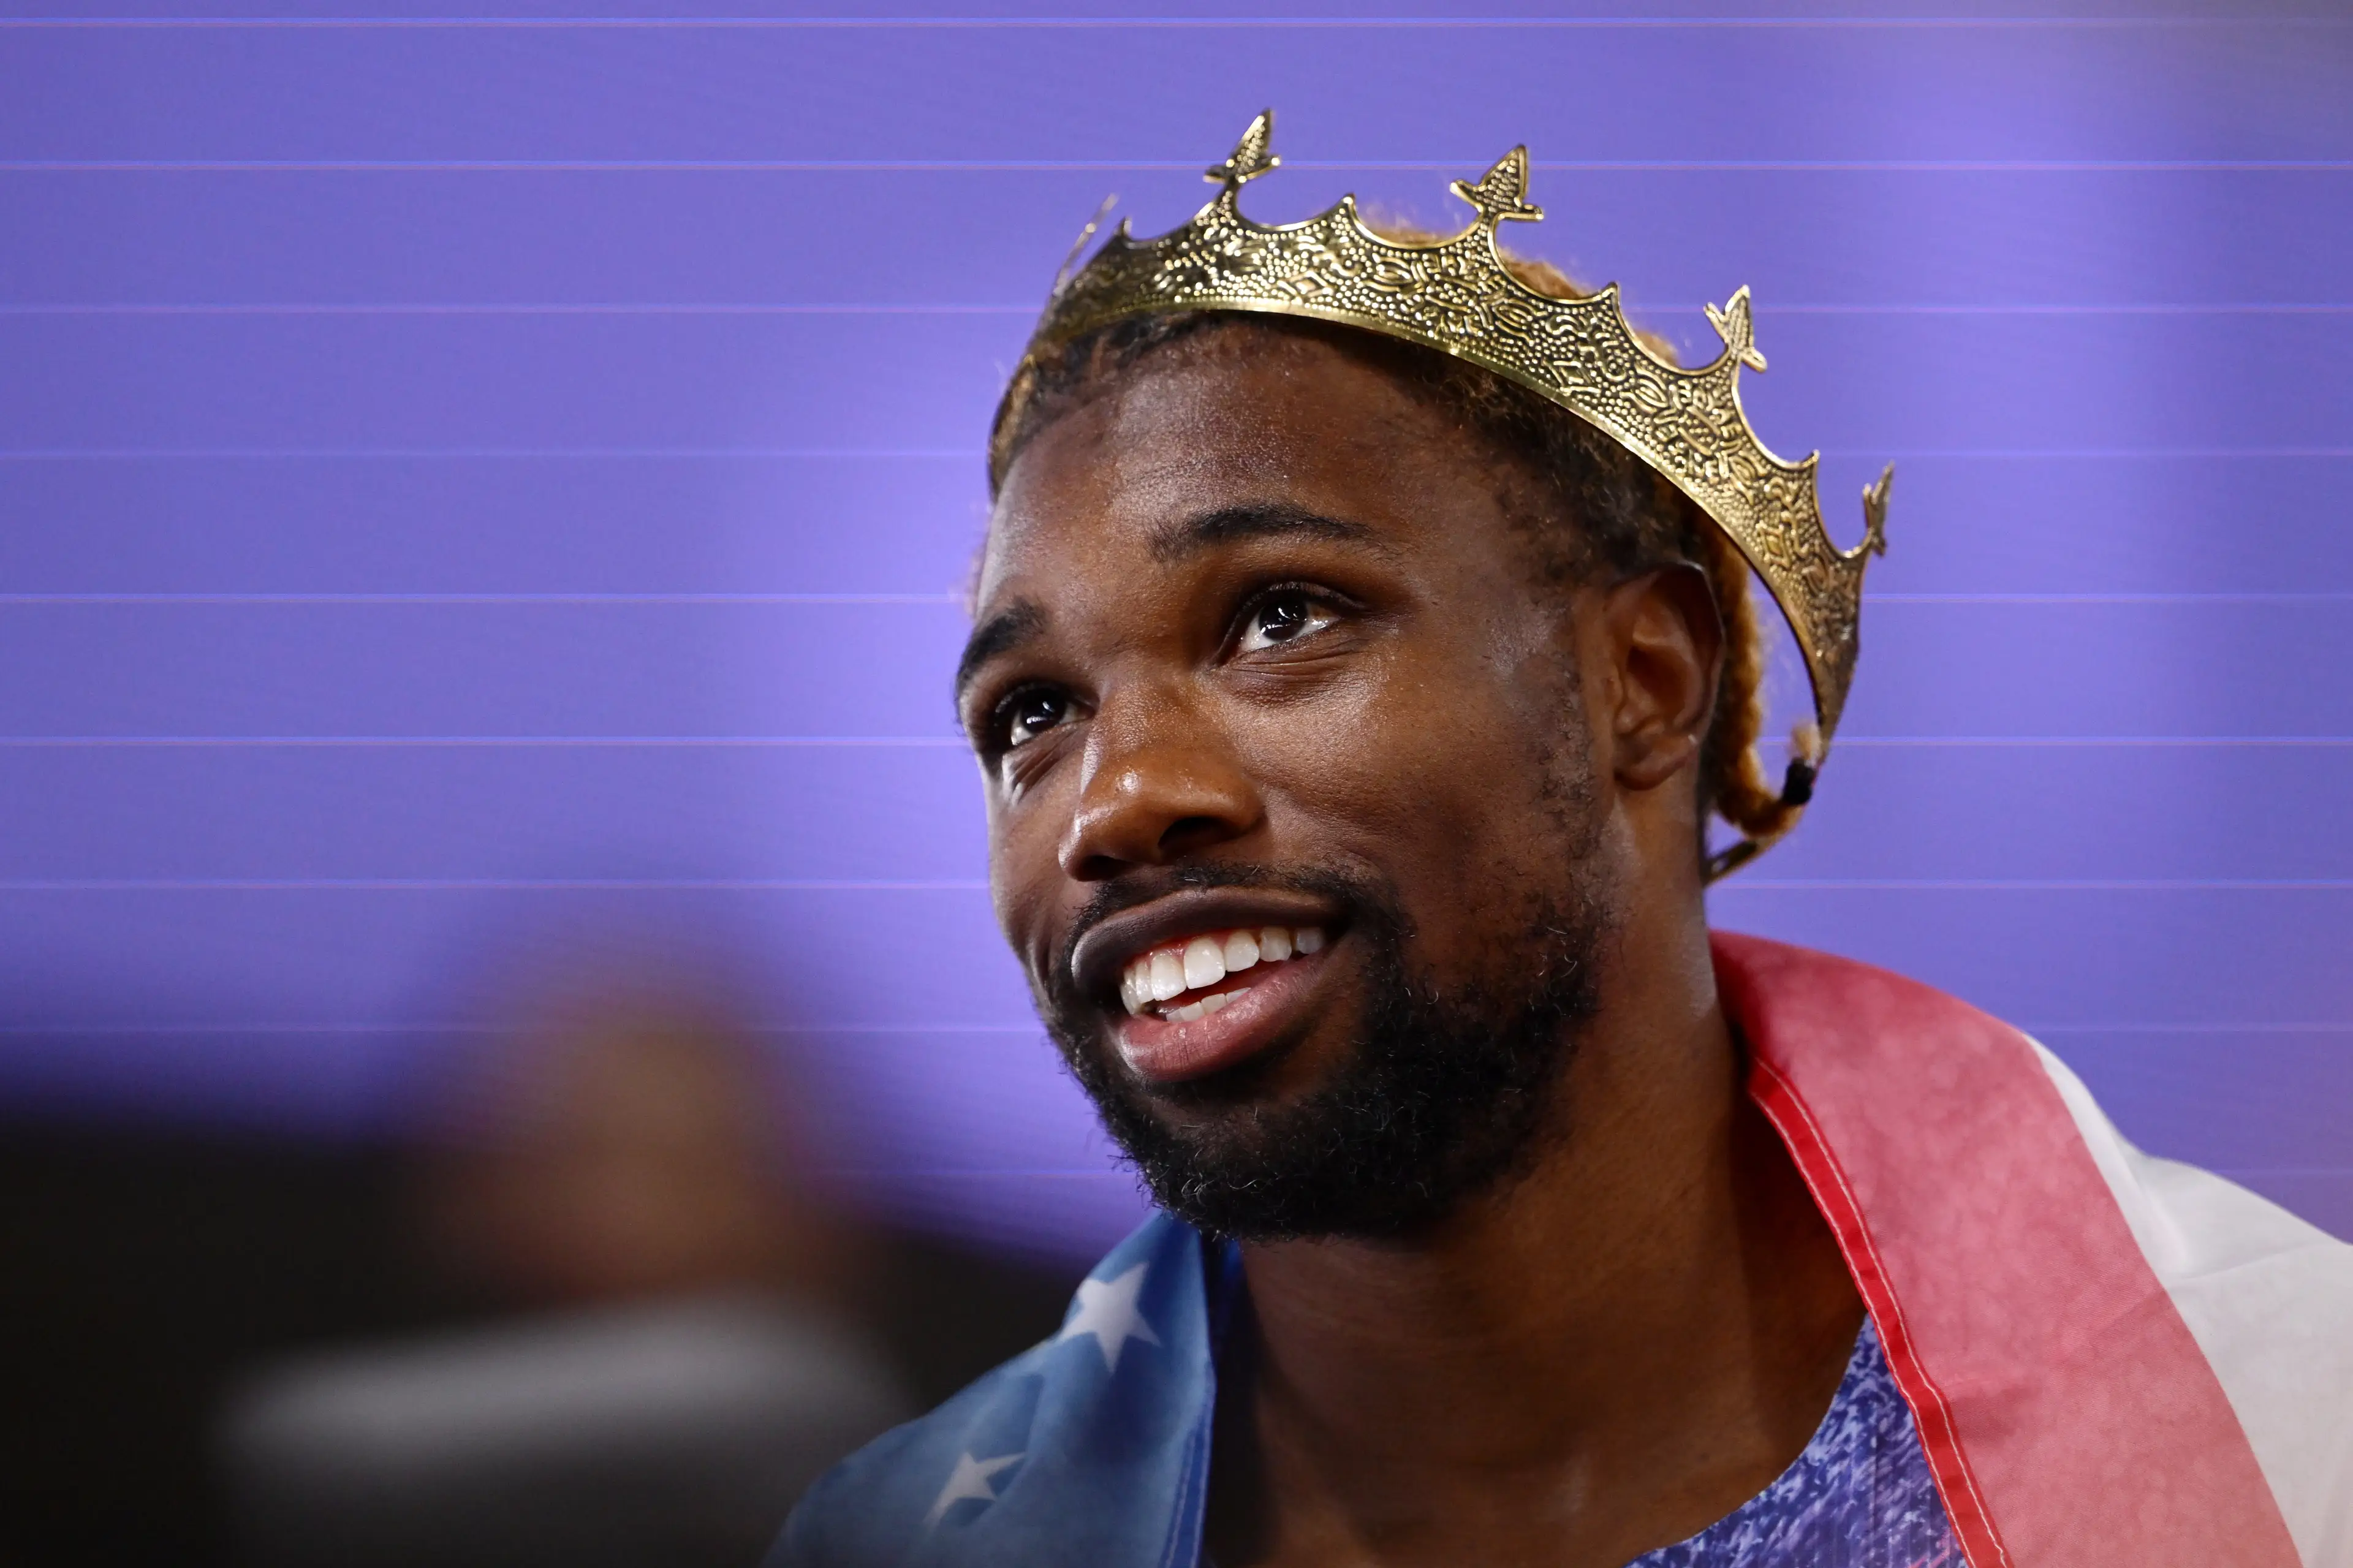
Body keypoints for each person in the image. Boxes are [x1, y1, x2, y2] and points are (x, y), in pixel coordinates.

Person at [775, 113, 2353, 1568]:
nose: (1115, 801)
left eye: (1281, 618)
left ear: (1641, 683)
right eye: (1031, 715)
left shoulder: (2297, 1426)